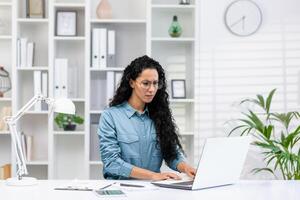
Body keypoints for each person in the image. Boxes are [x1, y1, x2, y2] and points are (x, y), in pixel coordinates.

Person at [98, 55, 196, 180]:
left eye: (155, 83)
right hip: (122, 189)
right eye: (146, 83)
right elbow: (111, 162)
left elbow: (172, 154)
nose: (152, 89)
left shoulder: (160, 116)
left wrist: (186, 168)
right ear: (132, 82)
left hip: (153, 188)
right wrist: (153, 175)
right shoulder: (110, 116)